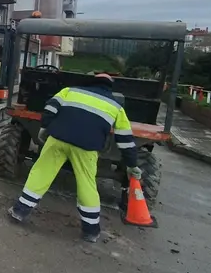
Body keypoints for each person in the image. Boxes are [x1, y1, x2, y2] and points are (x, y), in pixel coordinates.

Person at [8, 73, 140, 243]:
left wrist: (45, 127)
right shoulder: (116, 106)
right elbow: (126, 140)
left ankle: (19, 211)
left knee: (41, 173)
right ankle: (91, 230)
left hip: (58, 139)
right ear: (109, 87)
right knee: (86, 184)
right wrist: (132, 165)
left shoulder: (70, 91)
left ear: (91, 82)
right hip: (86, 148)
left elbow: (50, 108)